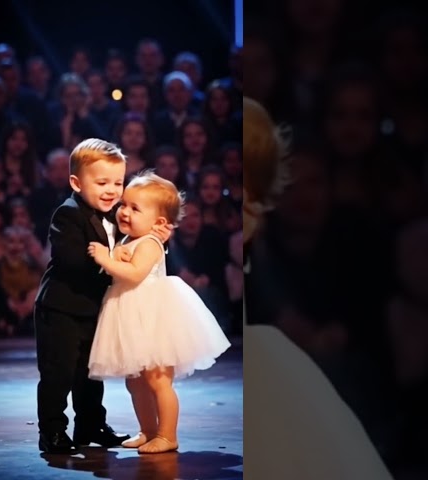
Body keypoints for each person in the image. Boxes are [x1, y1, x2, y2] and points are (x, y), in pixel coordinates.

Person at [242, 97, 392, 479]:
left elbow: (369, 308)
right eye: (294, 183)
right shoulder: (262, 244)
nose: (304, 196)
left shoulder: (352, 236)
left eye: (315, 182)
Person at [33, 138, 171, 454]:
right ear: (76, 183)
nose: (111, 190)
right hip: (62, 308)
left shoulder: (115, 214)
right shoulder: (68, 215)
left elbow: (136, 247)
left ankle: (91, 425)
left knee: (91, 372)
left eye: (118, 182)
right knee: (59, 373)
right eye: (102, 183)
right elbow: (72, 261)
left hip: (95, 308)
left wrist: (155, 238)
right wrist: (113, 264)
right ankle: (52, 430)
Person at [87, 171, 231, 454]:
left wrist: (106, 257)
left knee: (158, 380)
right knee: (135, 382)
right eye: (124, 205)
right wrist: (116, 254)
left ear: (159, 223)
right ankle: (148, 430)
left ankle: (167, 435)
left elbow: (135, 274)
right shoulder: (128, 239)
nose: (125, 212)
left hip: (152, 318)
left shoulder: (151, 243)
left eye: (134, 208)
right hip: (129, 316)